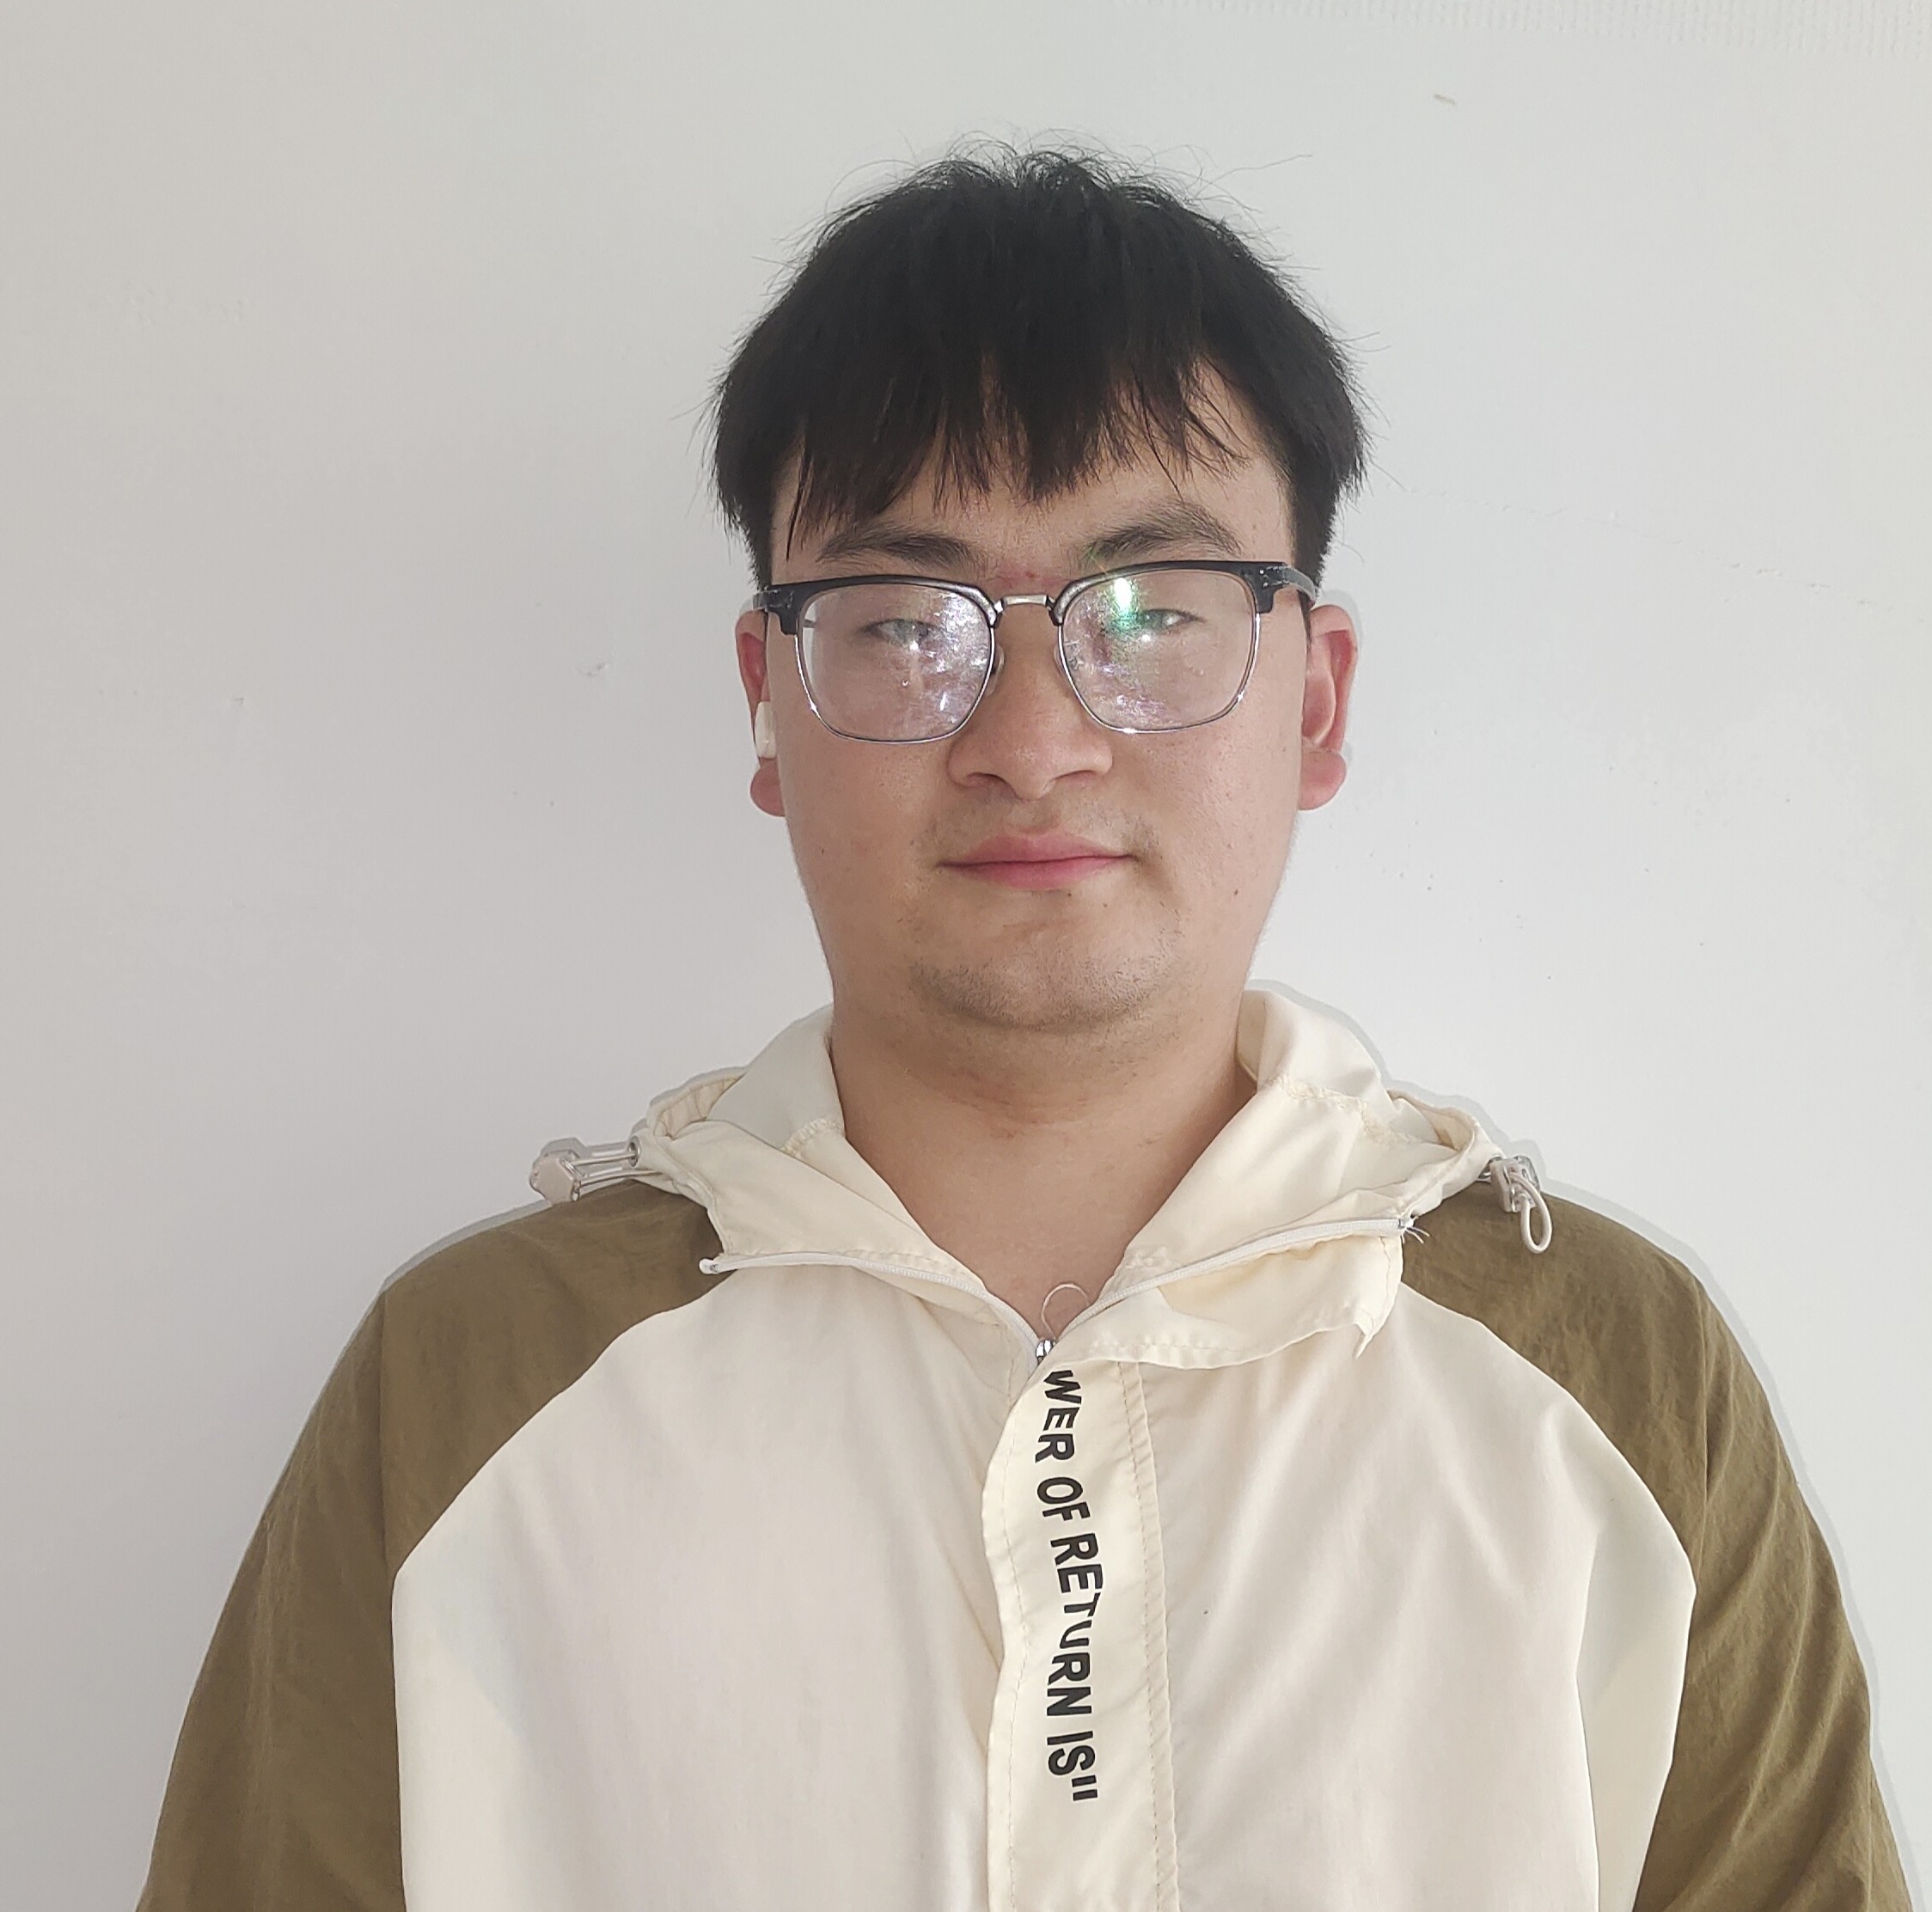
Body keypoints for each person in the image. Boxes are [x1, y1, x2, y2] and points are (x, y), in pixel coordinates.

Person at [139, 147, 1910, 1911]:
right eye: (907, 623)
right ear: (769, 705)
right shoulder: (471, 1383)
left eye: (1149, 614)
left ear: (1314, 700)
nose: (1032, 740)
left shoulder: (1613, 1377)